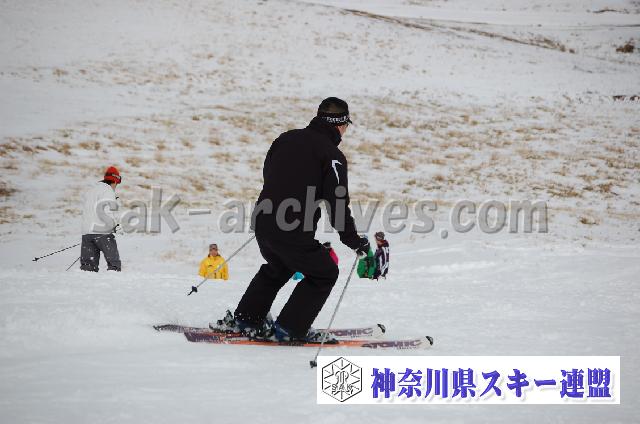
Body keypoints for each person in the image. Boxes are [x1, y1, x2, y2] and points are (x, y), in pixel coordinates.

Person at [228, 97, 369, 341]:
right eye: (347, 125)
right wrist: (353, 240)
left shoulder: (285, 139)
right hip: (292, 228)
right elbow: (337, 203)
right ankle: (289, 329)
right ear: (341, 124)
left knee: (279, 267)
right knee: (324, 273)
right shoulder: (332, 155)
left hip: (263, 220)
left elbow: (269, 174)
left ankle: (246, 319)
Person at [80, 166, 122, 272]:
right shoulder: (107, 191)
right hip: (103, 234)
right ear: (115, 181)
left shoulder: (91, 190)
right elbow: (106, 211)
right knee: (114, 266)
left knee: (87, 269)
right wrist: (114, 225)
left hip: (87, 234)